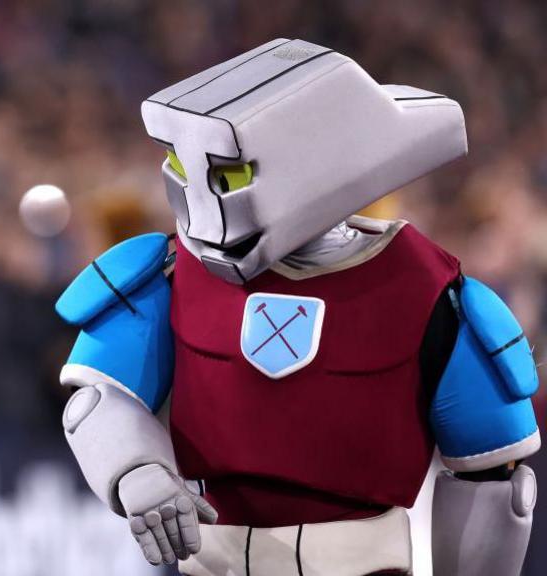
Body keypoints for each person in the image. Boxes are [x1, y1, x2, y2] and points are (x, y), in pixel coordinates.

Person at [56, 39, 538, 575]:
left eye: (228, 175)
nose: (196, 192)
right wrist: (135, 470)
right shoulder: (172, 271)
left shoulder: (430, 294)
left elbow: (495, 486)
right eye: (176, 162)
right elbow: (97, 402)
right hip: (211, 560)